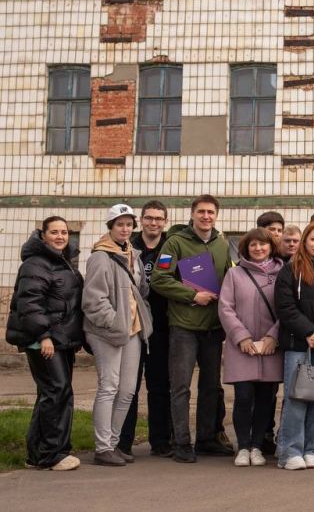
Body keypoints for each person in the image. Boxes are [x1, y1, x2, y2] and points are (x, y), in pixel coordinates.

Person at [151, 194, 233, 463]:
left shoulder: (222, 244)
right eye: (201, 212)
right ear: (193, 214)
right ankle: (182, 442)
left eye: (210, 212)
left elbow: (229, 279)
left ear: (216, 215)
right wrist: (192, 295)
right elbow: (159, 279)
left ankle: (207, 438)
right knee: (181, 387)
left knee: (210, 386)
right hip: (184, 327)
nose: (206, 216)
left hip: (212, 327)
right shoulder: (174, 243)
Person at [4, 216, 84, 471]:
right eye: (54, 232)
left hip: (61, 340)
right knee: (57, 391)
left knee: (50, 393)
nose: (60, 236)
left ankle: (37, 454)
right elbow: (30, 303)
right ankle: (52, 454)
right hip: (45, 341)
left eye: (64, 232)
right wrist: (43, 336)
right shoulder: (35, 264)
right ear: (43, 235)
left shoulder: (63, 262)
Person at [83, 205, 153, 466]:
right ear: (110, 227)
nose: (125, 229)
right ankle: (102, 447)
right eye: (120, 224)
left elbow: (141, 291)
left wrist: (142, 318)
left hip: (132, 331)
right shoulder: (100, 257)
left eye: (128, 224)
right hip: (107, 333)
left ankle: (113, 444)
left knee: (127, 391)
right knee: (108, 387)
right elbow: (93, 300)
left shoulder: (133, 254)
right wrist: (113, 323)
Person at [273, 221, 314, 470]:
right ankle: (290, 452)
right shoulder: (290, 271)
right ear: (304, 241)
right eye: (313, 239)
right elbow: (285, 307)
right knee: (297, 398)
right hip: (298, 344)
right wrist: (309, 332)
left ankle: (312, 450)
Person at [218, 229, 283, 467]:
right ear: (246, 248)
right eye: (253, 244)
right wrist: (241, 337)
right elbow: (225, 308)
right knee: (243, 397)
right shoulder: (234, 274)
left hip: (270, 348)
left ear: (271, 247)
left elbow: (288, 309)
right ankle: (243, 447)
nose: (258, 248)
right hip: (242, 348)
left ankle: (257, 446)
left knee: (266, 399)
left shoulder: (282, 273)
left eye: (263, 244)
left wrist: (273, 336)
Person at [120, 200, 172, 458]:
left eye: (158, 218)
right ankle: (123, 443)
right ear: (141, 220)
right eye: (149, 218)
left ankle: (161, 441)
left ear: (165, 222)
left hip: (162, 327)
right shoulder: (128, 246)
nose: (154, 222)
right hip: (133, 327)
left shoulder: (170, 247)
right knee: (128, 387)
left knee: (160, 386)